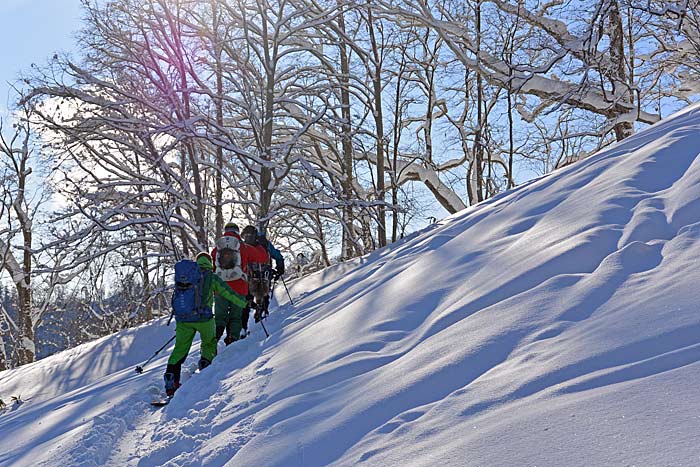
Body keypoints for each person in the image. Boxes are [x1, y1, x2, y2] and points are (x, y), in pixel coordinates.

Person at [164, 252, 247, 397]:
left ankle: (171, 379)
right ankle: (205, 367)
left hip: (183, 319)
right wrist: (245, 303)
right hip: (204, 319)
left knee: (180, 348)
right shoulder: (211, 277)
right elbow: (228, 293)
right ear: (211, 263)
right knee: (209, 343)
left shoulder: (188, 275)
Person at [210, 223, 251, 343]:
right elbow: (261, 258)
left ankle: (214, 339)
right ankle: (232, 339)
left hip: (220, 288)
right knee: (235, 317)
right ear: (237, 232)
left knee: (220, 317)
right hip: (239, 288)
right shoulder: (243, 247)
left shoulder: (217, 248)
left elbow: (212, 266)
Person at [241, 225, 273, 322]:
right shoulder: (263, 244)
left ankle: (244, 326)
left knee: (247, 299)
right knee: (263, 296)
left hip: (248, 277)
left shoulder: (243, 246)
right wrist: (280, 268)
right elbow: (276, 255)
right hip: (263, 274)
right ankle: (262, 315)